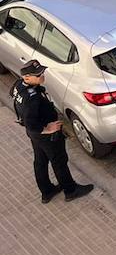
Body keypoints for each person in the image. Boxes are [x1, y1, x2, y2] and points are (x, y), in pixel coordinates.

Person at [15, 60, 92, 203]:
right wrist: (47, 129)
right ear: (27, 78)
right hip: (46, 135)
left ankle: (47, 191)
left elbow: (19, 106)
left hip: (35, 136)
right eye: (38, 75)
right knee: (59, 161)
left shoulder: (19, 86)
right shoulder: (32, 98)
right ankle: (71, 190)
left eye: (42, 72)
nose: (42, 76)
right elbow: (30, 122)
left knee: (40, 161)